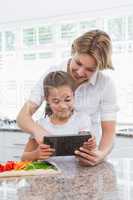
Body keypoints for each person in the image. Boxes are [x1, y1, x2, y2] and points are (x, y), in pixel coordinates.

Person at [17, 29, 118, 166]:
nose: (81, 72)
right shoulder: (52, 74)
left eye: (90, 69)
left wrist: (100, 154)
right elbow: (23, 116)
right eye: (78, 63)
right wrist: (38, 132)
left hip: (87, 162)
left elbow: (109, 131)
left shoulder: (105, 84)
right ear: (73, 51)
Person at [21, 71, 96, 161]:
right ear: (47, 100)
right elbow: (23, 158)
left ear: (74, 95)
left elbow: (88, 155)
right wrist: (36, 154)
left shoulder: (82, 120)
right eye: (56, 101)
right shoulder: (40, 126)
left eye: (67, 99)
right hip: (48, 174)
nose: (63, 106)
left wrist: (90, 147)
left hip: (76, 174)